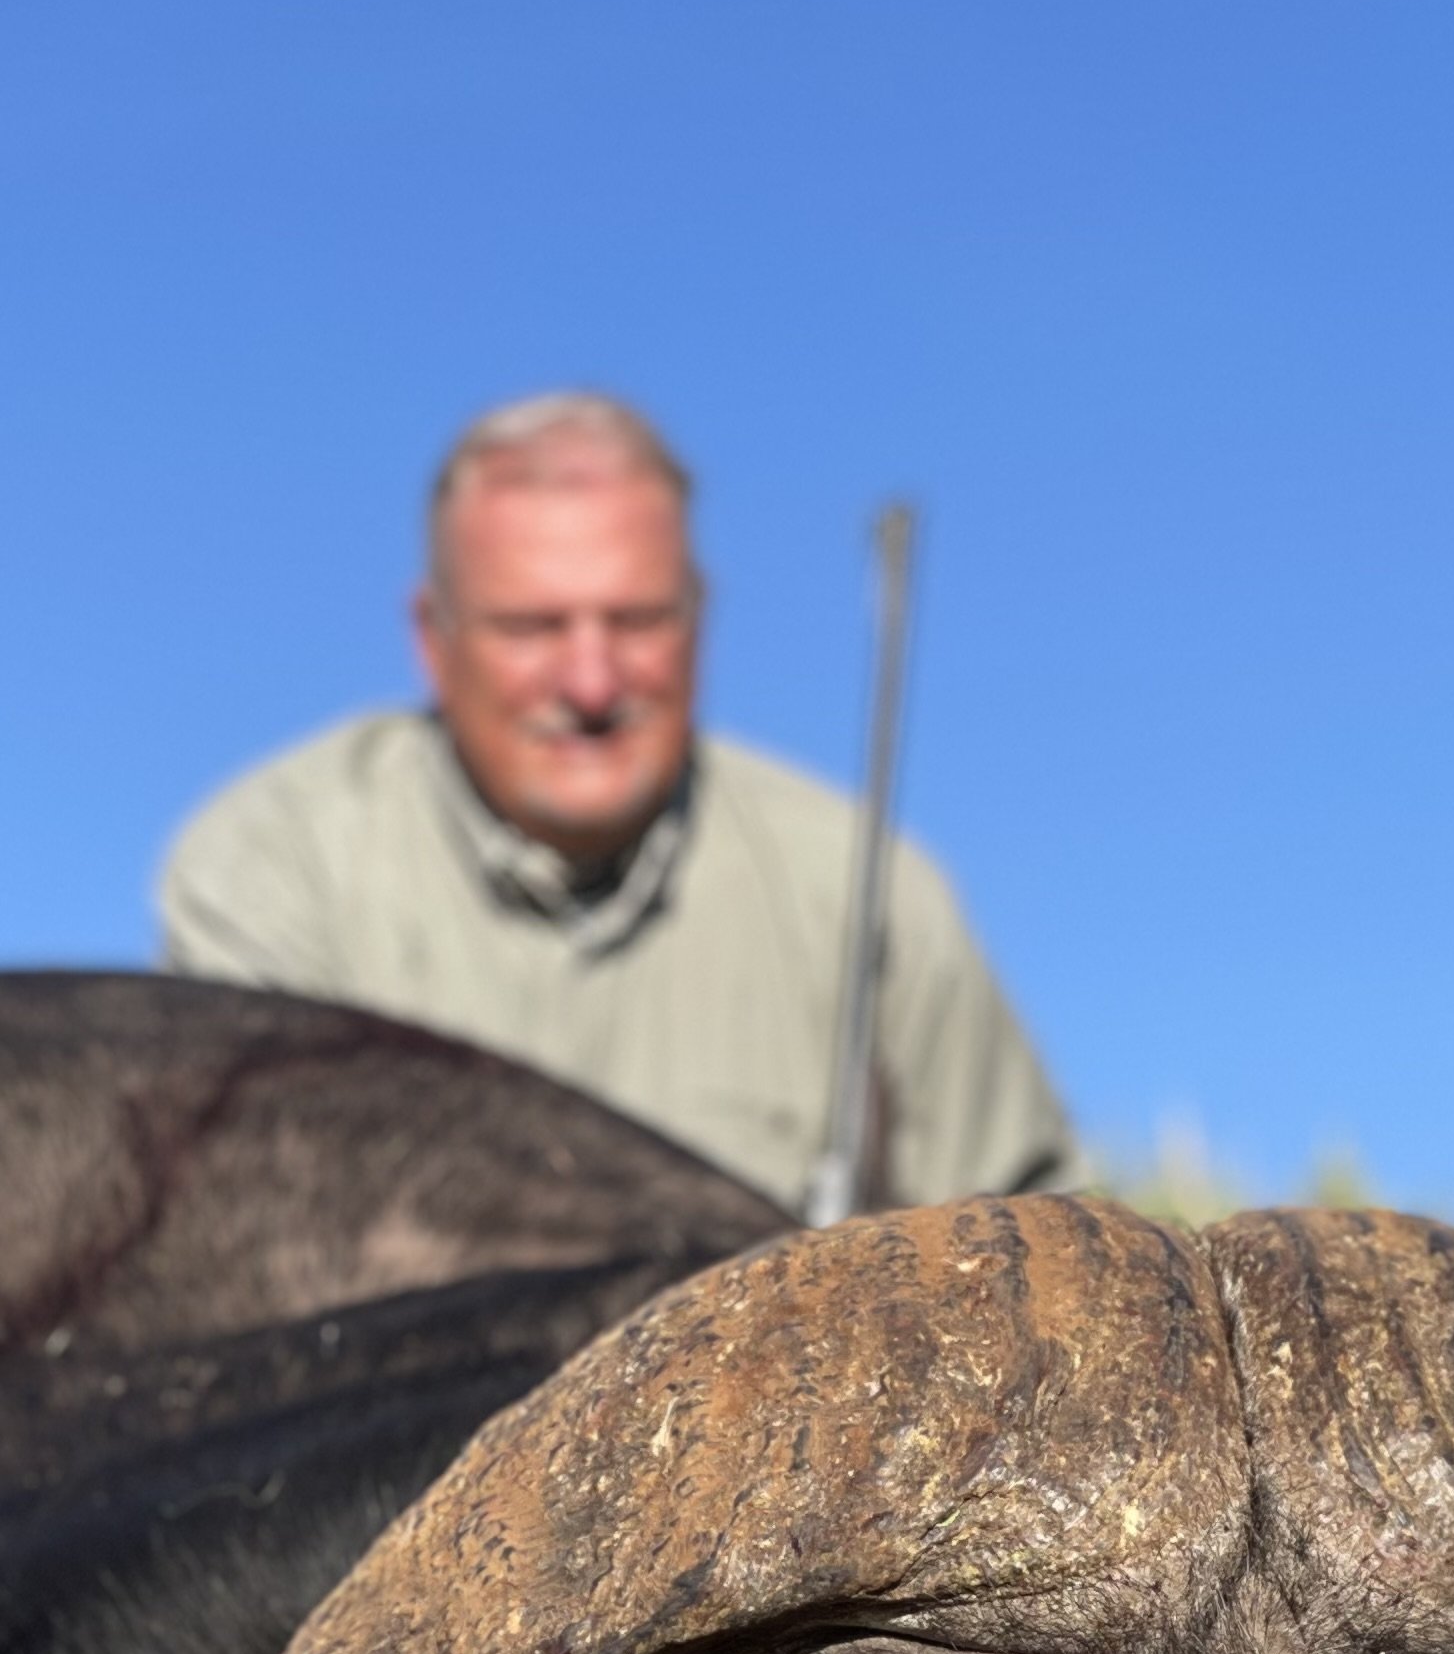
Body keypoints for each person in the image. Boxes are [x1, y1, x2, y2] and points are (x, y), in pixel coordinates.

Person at [156, 391, 1074, 1213]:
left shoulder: (872, 894)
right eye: (532, 627)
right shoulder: (272, 866)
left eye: (638, 621)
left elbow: (1049, 1255)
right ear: (433, 640)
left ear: (700, 619)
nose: (592, 683)